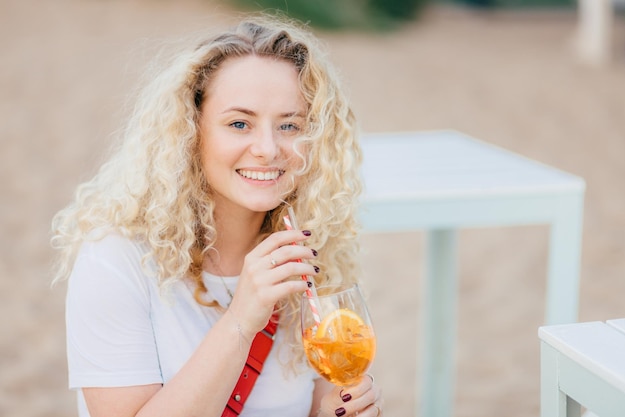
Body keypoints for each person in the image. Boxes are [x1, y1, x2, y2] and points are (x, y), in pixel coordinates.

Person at [51, 14, 382, 417]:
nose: (267, 148)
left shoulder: (312, 257)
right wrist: (242, 319)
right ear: (193, 130)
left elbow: (313, 405)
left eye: (291, 125)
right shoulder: (115, 258)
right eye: (239, 123)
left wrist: (333, 412)